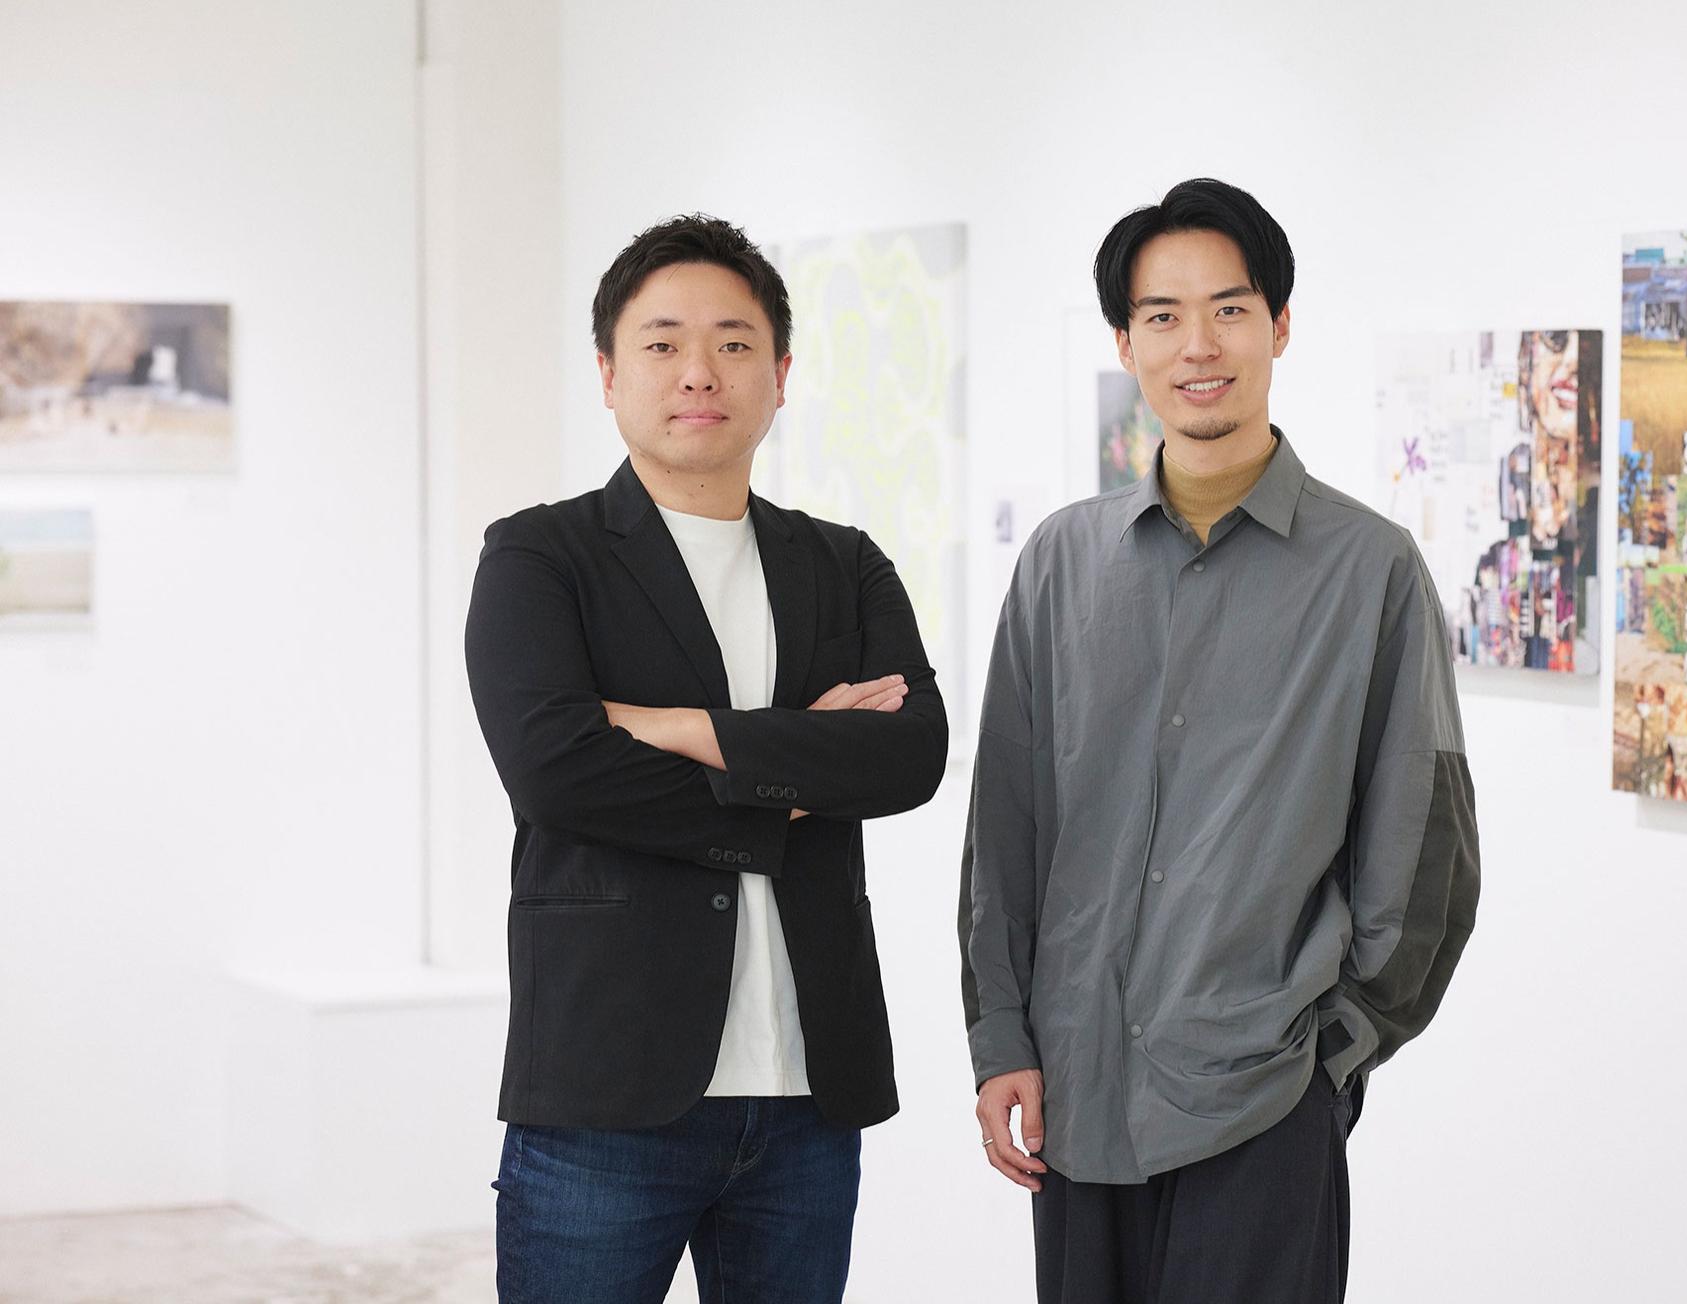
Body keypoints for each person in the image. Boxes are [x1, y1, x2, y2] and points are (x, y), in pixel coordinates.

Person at [959, 178, 1480, 1303]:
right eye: (1163, 316)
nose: (1198, 345)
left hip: (1262, 1108)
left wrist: (1329, 1058)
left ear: (1279, 326)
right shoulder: (1059, 564)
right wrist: (1002, 1034)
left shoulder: (1372, 571)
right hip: (1077, 1098)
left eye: (1230, 309)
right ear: (1126, 342)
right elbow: (1005, 830)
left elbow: (1423, 852)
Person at [466, 213, 947, 1303]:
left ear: (780, 375)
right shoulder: (540, 555)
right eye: (663, 343)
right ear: (608, 374)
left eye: (733, 343)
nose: (699, 372)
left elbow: (910, 755)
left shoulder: (843, 562)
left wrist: (679, 726)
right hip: (606, 1092)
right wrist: (797, 769)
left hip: (807, 1095)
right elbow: (556, 770)